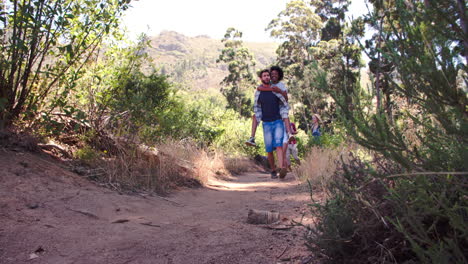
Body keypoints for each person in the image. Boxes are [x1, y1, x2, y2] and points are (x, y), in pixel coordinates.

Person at [245, 66, 294, 148]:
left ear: (279, 75)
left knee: (285, 115)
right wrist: (269, 89)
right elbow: (261, 88)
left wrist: (280, 91)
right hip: (271, 110)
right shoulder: (270, 85)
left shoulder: (280, 85)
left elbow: (286, 97)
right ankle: (252, 137)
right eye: (272, 74)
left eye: (276, 74)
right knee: (255, 116)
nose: (274, 75)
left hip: (281, 105)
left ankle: (289, 134)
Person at [253, 69, 289, 179]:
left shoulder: (274, 89)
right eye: (264, 76)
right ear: (261, 78)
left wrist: (285, 114)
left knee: (278, 145)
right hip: (266, 123)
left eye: (268, 75)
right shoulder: (259, 92)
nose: (267, 77)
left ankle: (282, 167)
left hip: (278, 120)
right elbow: (256, 107)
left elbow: (285, 101)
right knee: (269, 149)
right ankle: (273, 169)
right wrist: (258, 118)